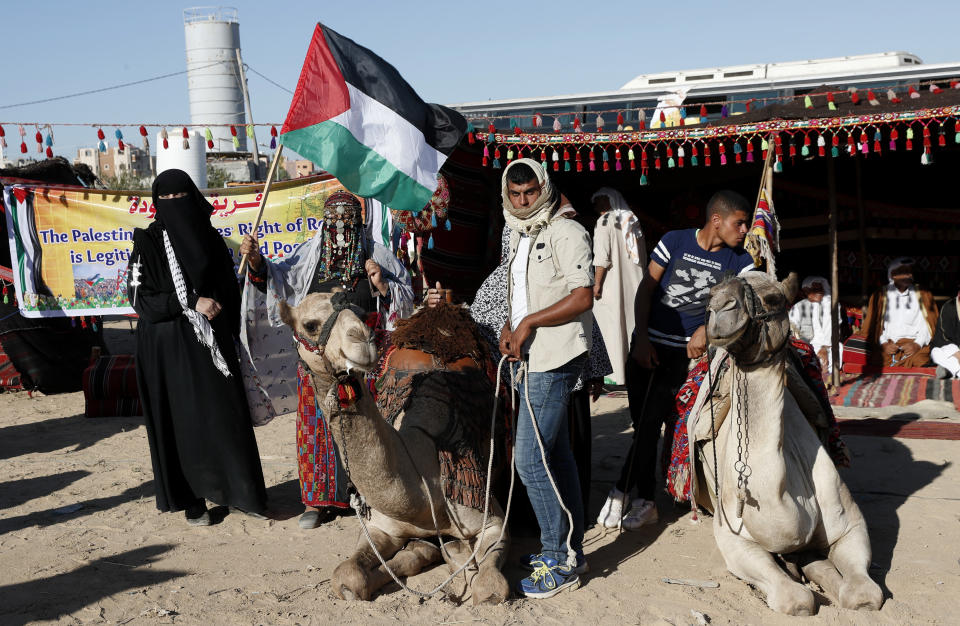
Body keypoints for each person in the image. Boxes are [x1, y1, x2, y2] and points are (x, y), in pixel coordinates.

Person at [238, 190, 413, 530]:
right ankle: (318, 501)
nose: (341, 224)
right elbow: (281, 280)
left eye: (349, 217)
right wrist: (258, 263)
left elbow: (405, 295)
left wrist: (382, 285)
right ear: (324, 221)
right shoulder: (309, 254)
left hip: (364, 359)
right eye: (334, 218)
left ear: (359, 220)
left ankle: (370, 493)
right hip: (318, 361)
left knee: (367, 426)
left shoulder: (378, 254)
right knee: (316, 427)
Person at [427, 221, 612, 530]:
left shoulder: (553, 271)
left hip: (557, 370)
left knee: (544, 458)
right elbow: (478, 324)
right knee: (538, 457)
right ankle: (553, 534)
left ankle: (560, 540)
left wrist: (592, 368)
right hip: (512, 384)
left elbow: (581, 314)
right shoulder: (499, 281)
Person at [597, 190, 753, 531]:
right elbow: (646, 290)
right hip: (647, 347)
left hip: (687, 357)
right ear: (717, 220)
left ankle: (629, 492)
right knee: (644, 425)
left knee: (653, 421)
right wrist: (641, 338)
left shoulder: (740, 263)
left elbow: (741, 308)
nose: (744, 230)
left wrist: (706, 329)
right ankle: (643, 498)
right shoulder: (675, 241)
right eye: (739, 223)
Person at [127, 169, 267, 526]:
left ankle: (240, 492)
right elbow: (140, 298)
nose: (176, 206)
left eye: (181, 197)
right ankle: (192, 499)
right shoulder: (147, 242)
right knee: (183, 422)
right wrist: (190, 301)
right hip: (168, 349)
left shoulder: (212, 239)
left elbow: (230, 294)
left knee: (225, 416)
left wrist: (250, 265)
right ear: (157, 204)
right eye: (167, 200)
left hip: (212, 346)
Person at [498, 158, 594, 598]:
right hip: (528, 357)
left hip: (555, 357)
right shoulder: (519, 232)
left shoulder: (567, 231)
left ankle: (559, 560)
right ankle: (570, 546)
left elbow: (582, 296)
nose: (522, 201)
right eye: (515, 194)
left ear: (545, 188)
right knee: (555, 456)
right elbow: (519, 291)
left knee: (530, 461)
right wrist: (510, 325)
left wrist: (530, 324)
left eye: (530, 193)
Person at [591, 187, 646, 386]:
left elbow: (601, 257)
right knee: (631, 325)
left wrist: (597, 284)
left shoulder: (604, 221)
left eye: (598, 201)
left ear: (608, 201)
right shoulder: (632, 220)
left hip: (611, 286)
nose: (596, 206)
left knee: (612, 328)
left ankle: (614, 374)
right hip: (634, 285)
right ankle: (631, 371)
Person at [862, 257, 938, 368]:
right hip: (889, 344)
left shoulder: (922, 294)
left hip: (914, 344)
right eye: (903, 272)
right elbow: (875, 326)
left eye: (910, 272)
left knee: (921, 360)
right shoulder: (880, 295)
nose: (909, 275)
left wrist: (917, 344)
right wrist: (883, 344)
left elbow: (927, 326)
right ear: (893, 275)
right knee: (874, 360)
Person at [788, 276, 835, 374]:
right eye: (814, 289)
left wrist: (825, 348)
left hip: (828, 346)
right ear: (806, 291)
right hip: (807, 346)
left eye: (820, 289)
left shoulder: (829, 307)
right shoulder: (798, 307)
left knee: (839, 350)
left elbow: (832, 331)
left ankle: (818, 368)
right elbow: (792, 331)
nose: (818, 292)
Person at [931, 284, 960, 379]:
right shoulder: (949, 307)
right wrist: (957, 353)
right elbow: (943, 337)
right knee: (936, 352)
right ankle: (955, 370)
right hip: (953, 350)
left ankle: (949, 371)